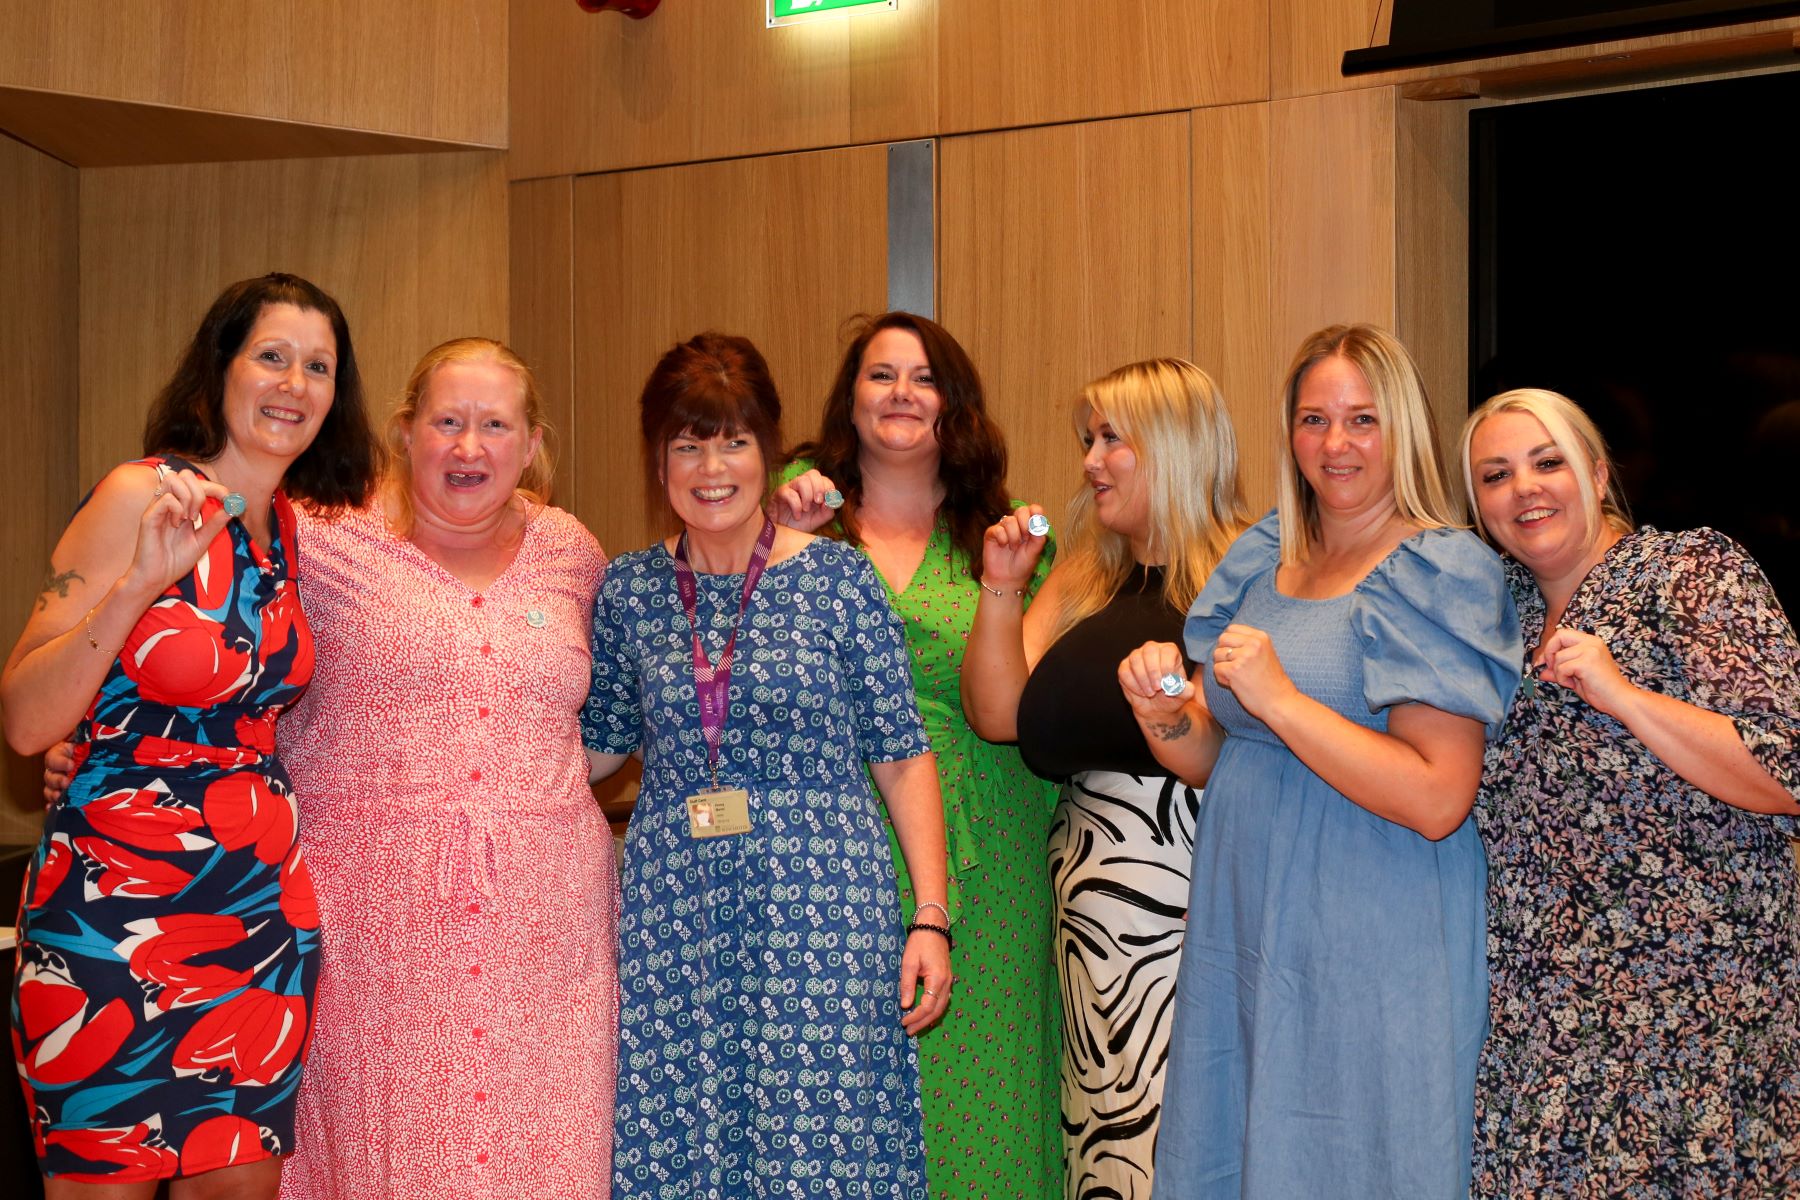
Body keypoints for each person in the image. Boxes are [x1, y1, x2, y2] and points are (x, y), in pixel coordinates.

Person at [1117, 324, 1521, 1198]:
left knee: (1358, 1154)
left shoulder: (1438, 571)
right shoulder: (1262, 557)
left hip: (1372, 925)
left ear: (1402, 429)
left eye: (1362, 420)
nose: (1335, 445)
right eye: (1314, 419)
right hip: (1246, 915)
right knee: (1239, 1142)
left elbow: (1438, 795)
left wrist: (1284, 700)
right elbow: (1218, 760)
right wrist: (1164, 717)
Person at [4, 273, 377, 1196]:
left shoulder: (295, 529)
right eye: (272, 356)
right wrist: (137, 585)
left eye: (319, 367)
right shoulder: (142, 496)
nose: (295, 383)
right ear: (222, 369)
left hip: (257, 913)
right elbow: (23, 720)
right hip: (110, 913)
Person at [585, 332, 951, 1200]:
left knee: (820, 1144)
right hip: (677, 917)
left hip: (824, 915)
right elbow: (595, 747)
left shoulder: (838, 581)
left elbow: (901, 754)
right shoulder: (629, 592)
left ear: (769, 450)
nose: (712, 467)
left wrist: (928, 917)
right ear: (658, 458)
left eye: (734, 441)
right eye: (688, 443)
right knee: (685, 1140)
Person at [275, 339, 618, 1198]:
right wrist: (98, 743)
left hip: (548, 933)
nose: (470, 448)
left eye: (495, 425)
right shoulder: (317, 538)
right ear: (404, 431)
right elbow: (218, 653)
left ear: (533, 443)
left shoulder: (573, 553)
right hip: (372, 929)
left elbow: (616, 705)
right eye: (448, 422)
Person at [1460, 388, 1800, 1197]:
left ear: (1599, 472)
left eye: (1549, 462)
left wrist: (1623, 695)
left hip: (1696, 1024)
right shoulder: (1489, 614)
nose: (1526, 488)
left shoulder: (1688, 572)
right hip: (1536, 1026)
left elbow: (1789, 768)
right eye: (1496, 475)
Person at [773, 311, 1060, 1198]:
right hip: (830, 838)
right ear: (848, 400)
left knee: (990, 1080)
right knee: (839, 1090)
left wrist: (1005, 584)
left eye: (924, 378)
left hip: (991, 841)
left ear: (955, 407)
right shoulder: (788, 514)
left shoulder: (1005, 537)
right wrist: (770, 543)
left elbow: (1018, 698)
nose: (901, 394)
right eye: (881, 375)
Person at [958, 356, 1249, 1200]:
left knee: (1186, 1143)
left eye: (1111, 439)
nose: (1089, 461)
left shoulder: (1249, 572)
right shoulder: (1088, 575)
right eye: (1088, 439)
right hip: (1088, 920)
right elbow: (998, 714)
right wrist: (1002, 590)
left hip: (1187, 901)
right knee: (1106, 1146)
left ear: (1174, 445)